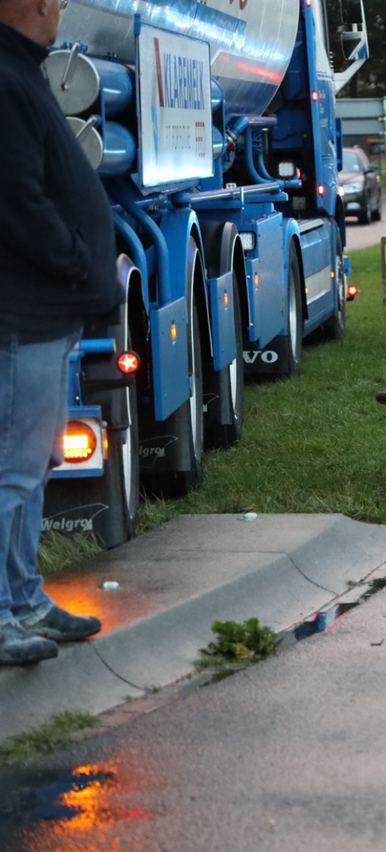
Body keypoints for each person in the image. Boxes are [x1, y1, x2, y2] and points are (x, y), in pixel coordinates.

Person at [1, 0, 122, 665]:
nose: (60, 11)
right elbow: (17, 199)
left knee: (35, 464)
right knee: (12, 470)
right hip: (24, 314)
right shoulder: (6, 80)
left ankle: (23, 599)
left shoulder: (22, 72)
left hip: (45, 314)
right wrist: (75, 258)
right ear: (33, 6)